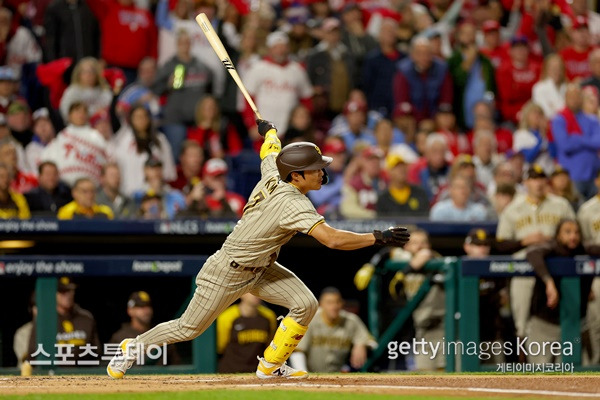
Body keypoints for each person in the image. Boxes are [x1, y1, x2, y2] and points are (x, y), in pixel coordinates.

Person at [106, 119, 410, 379]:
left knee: (306, 304)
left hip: (262, 268)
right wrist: (377, 237)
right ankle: (132, 348)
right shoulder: (292, 202)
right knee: (188, 328)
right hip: (228, 270)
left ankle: (270, 366)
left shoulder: (274, 172)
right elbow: (332, 240)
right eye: (315, 169)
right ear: (297, 175)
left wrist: (271, 132)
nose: (321, 172)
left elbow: (270, 152)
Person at [496, 165, 576, 340]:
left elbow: (575, 234)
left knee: (567, 319)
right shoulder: (513, 208)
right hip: (524, 270)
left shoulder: (560, 205)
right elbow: (501, 244)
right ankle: (524, 361)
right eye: (533, 179)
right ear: (525, 182)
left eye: (540, 178)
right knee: (522, 325)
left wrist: (555, 240)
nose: (538, 183)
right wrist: (524, 241)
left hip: (557, 267)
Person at [525, 219, 600, 363]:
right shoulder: (551, 248)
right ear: (558, 235)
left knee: (577, 376)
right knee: (538, 374)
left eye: (576, 232)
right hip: (544, 325)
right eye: (567, 232)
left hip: (573, 325)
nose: (573, 236)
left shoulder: (584, 249)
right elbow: (532, 253)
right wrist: (549, 282)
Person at [152, 30, 213, 160]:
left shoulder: (201, 66)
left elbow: (210, 86)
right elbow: (155, 89)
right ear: (177, 44)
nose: (185, 46)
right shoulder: (170, 65)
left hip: (196, 120)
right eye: (182, 43)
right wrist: (168, 84)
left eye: (187, 42)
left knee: (196, 156)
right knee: (175, 155)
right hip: (175, 119)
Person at [244, 31, 313, 135]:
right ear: (269, 49)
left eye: (283, 47)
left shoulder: (297, 69)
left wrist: (304, 120)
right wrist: (251, 125)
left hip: (290, 130)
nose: (280, 51)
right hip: (264, 130)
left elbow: (307, 99)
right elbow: (248, 99)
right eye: (276, 47)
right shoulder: (257, 68)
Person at [291, 287, 375, 373]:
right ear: (321, 304)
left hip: (338, 375)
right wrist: (302, 374)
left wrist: (361, 343)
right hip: (311, 373)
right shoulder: (309, 319)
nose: (334, 306)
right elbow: (297, 351)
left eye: (337, 302)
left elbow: (373, 343)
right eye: (329, 303)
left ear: (342, 304)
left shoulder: (351, 321)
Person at [27, 277, 101, 366]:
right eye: (62, 292)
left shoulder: (86, 318)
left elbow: (97, 353)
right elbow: (32, 354)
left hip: (83, 373)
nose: (67, 295)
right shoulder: (44, 320)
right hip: (53, 375)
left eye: (70, 291)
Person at [110, 104, 176, 196]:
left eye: (144, 116)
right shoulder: (123, 140)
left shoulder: (160, 140)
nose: (141, 120)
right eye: (137, 116)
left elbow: (168, 170)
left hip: (156, 192)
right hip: (130, 191)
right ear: (131, 119)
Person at [86, 0, 157, 84]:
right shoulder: (108, 8)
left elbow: (153, 40)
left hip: (138, 71)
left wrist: (152, 60)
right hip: (111, 67)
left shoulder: (145, 14)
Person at [41, 102, 108, 187]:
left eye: (84, 112)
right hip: (65, 187)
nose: (81, 114)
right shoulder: (62, 136)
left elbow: (105, 160)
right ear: (69, 115)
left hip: (92, 188)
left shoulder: (96, 136)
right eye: (77, 111)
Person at [551, 84, 600, 199]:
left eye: (577, 96)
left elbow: (598, 142)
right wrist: (587, 140)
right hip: (572, 177)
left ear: (581, 99)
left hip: (594, 175)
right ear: (566, 99)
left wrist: (576, 138)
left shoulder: (592, 120)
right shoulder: (559, 120)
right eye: (571, 97)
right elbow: (565, 145)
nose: (574, 100)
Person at [447, 20, 496, 130]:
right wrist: (469, 60)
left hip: (485, 113)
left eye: (473, 33)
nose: (470, 37)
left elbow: (491, 88)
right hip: (463, 115)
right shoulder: (453, 60)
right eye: (466, 33)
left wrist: (490, 101)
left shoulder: (485, 60)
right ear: (459, 36)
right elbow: (455, 83)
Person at [392, 36, 453, 124]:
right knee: (403, 118)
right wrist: (419, 119)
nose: (424, 57)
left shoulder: (442, 70)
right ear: (412, 55)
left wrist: (435, 118)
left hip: (436, 116)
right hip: (413, 116)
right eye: (419, 53)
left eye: (427, 53)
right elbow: (402, 101)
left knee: (445, 117)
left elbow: (446, 100)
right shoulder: (403, 71)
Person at [216, 293, 276, 373]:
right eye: (251, 291)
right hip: (231, 371)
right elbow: (221, 346)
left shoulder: (269, 316)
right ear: (241, 294)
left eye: (259, 290)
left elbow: (270, 345)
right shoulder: (227, 316)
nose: (256, 294)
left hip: (257, 371)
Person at [577, 170, 600, 364]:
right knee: (596, 323)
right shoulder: (587, 209)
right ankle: (595, 364)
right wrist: (587, 284)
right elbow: (581, 246)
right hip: (596, 272)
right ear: (597, 181)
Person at [362, 18, 404, 118]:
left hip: (399, 108)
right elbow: (367, 85)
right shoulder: (371, 59)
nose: (389, 34)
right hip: (377, 109)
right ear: (379, 35)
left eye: (392, 31)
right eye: (386, 31)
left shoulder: (404, 59)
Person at [178, 158, 245, 218]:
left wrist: (223, 202)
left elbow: (239, 224)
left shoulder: (237, 200)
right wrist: (193, 200)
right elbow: (182, 219)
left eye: (222, 175)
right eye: (215, 176)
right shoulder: (201, 199)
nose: (219, 180)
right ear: (205, 178)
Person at [495, 35, 540, 125]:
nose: (520, 51)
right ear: (510, 51)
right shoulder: (504, 69)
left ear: (528, 50)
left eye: (523, 47)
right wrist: (528, 89)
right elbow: (507, 96)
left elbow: (538, 93)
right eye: (516, 48)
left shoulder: (537, 68)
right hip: (510, 117)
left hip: (533, 112)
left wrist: (518, 87)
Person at [58, 57, 113, 124]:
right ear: (79, 74)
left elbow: (107, 109)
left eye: (91, 71)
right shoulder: (72, 91)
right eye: (85, 72)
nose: (88, 75)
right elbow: (65, 111)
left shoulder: (104, 91)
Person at [376, 153, 429, 217]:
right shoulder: (383, 199)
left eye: (403, 166)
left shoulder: (419, 193)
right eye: (396, 167)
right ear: (388, 172)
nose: (401, 169)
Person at [340, 146, 384, 219]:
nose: (374, 163)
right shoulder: (354, 183)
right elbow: (348, 209)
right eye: (370, 160)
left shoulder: (385, 182)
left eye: (377, 160)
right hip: (359, 226)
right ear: (363, 162)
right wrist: (374, 215)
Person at [532, 54, 566, 119]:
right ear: (546, 70)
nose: (556, 71)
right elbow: (545, 112)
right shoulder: (539, 88)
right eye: (553, 68)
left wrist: (553, 107)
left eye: (559, 68)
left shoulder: (569, 87)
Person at [25, 108, 56, 174]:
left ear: (52, 124)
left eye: (45, 122)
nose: (42, 127)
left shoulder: (62, 142)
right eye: (38, 124)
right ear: (34, 130)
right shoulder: (31, 149)